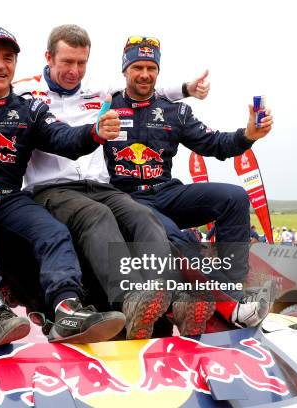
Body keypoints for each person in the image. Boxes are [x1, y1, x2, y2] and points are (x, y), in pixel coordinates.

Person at [12, 25, 214, 338]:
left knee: (144, 217)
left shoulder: (97, 86)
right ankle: (130, 300)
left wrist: (186, 88)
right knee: (98, 217)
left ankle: (167, 302)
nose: (74, 71)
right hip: (51, 189)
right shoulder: (24, 90)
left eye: (81, 63)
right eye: (67, 62)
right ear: (48, 57)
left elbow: (144, 87)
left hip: (101, 186)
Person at [0, 27, 128, 345]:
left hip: (10, 198)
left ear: (15, 65)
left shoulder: (30, 108)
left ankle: (67, 311)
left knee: (53, 232)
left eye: (7, 58)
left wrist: (95, 132)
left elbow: (65, 139)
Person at [101, 36, 275, 329]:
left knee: (234, 197)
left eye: (151, 68)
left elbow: (215, 144)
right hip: (126, 200)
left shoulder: (175, 111)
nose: (145, 74)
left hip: (167, 192)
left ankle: (231, 292)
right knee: (181, 238)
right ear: (125, 70)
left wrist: (247, 135)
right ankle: (227, 302)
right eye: (137, 67)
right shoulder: (106, 106)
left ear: (158, 71)